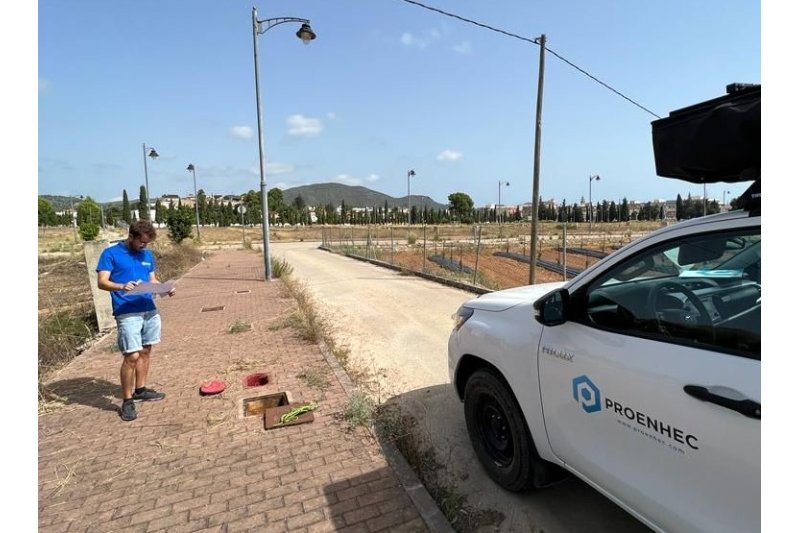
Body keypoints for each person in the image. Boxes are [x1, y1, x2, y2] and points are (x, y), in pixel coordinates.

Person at [96, 220, 175, 421]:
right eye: (141, 242)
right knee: (132, 356)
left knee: (146, 350)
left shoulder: (147, 255)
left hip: (148, 309)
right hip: (127, 311)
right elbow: (102, 282)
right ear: (131, 236)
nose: (144, 246)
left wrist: (164, 288)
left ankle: (140, 390)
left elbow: (152, 280)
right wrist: (121, 286)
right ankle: (127, 400)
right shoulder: (110, 254)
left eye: (147, 243)